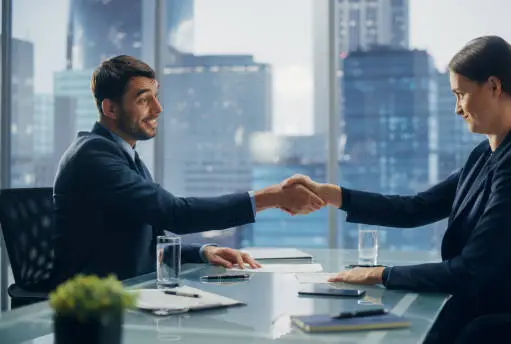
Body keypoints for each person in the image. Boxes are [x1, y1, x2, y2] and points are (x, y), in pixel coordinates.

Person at [283, 36, 511, 344]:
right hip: (474, 312)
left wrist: (380, 274)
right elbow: (417, 207)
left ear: (494, 86)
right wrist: (332, 194)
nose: (457, 109)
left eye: (461, 94)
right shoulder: (488, 154)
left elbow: (473, 270)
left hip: (495, 324)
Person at [52, 55, 324, 286]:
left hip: (132, 292)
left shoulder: (121, 154)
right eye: (144, 100)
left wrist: (204, 251)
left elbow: (151, 235)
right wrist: (273, 197)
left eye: (155, 97)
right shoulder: (93, 156)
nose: (158, 109)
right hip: (98, 307)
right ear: (110, 108)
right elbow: (175, 214)